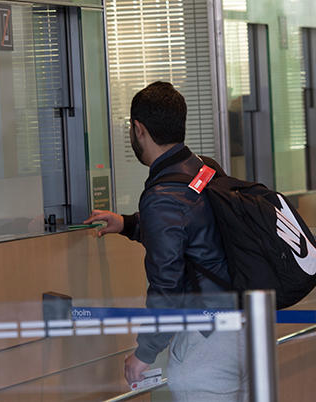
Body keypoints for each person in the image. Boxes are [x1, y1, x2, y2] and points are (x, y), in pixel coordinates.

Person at [83, 81, 247, 401]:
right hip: (243, 332)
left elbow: (166, 285)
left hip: (206, 344)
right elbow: (195, 227)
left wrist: (144, 354)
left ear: (138, 129)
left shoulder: (161, 198)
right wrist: (129, 224)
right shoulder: (205, 169)